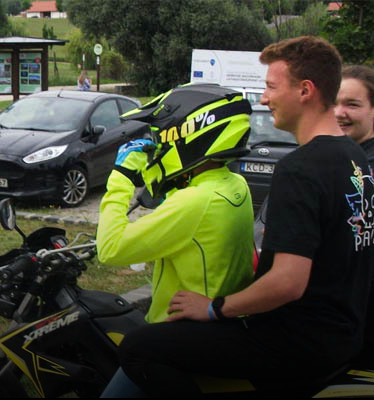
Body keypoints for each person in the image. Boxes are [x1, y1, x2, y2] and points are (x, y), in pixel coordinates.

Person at [105, 36, 374, 397]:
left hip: (293, 343)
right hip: (340, 335)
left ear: (306, 90)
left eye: (270, 87)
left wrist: (215, 309)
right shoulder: (353, 155)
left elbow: (288, 282)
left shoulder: (300, 169)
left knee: (137, 349)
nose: (264, 99)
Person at [96, 84, 255, 396]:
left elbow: (110, 247)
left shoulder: (195, 202)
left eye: (161, 138)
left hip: (177, 334)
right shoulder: (235, 184)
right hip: (218, 326)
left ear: (188, 137)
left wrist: (120, 178)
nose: (157, 147)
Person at [335, 64, 374, 361]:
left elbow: (368, 237)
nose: (339, 112)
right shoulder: (356, 156)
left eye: (352, 104)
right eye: (335, 102)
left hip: (369, 302)